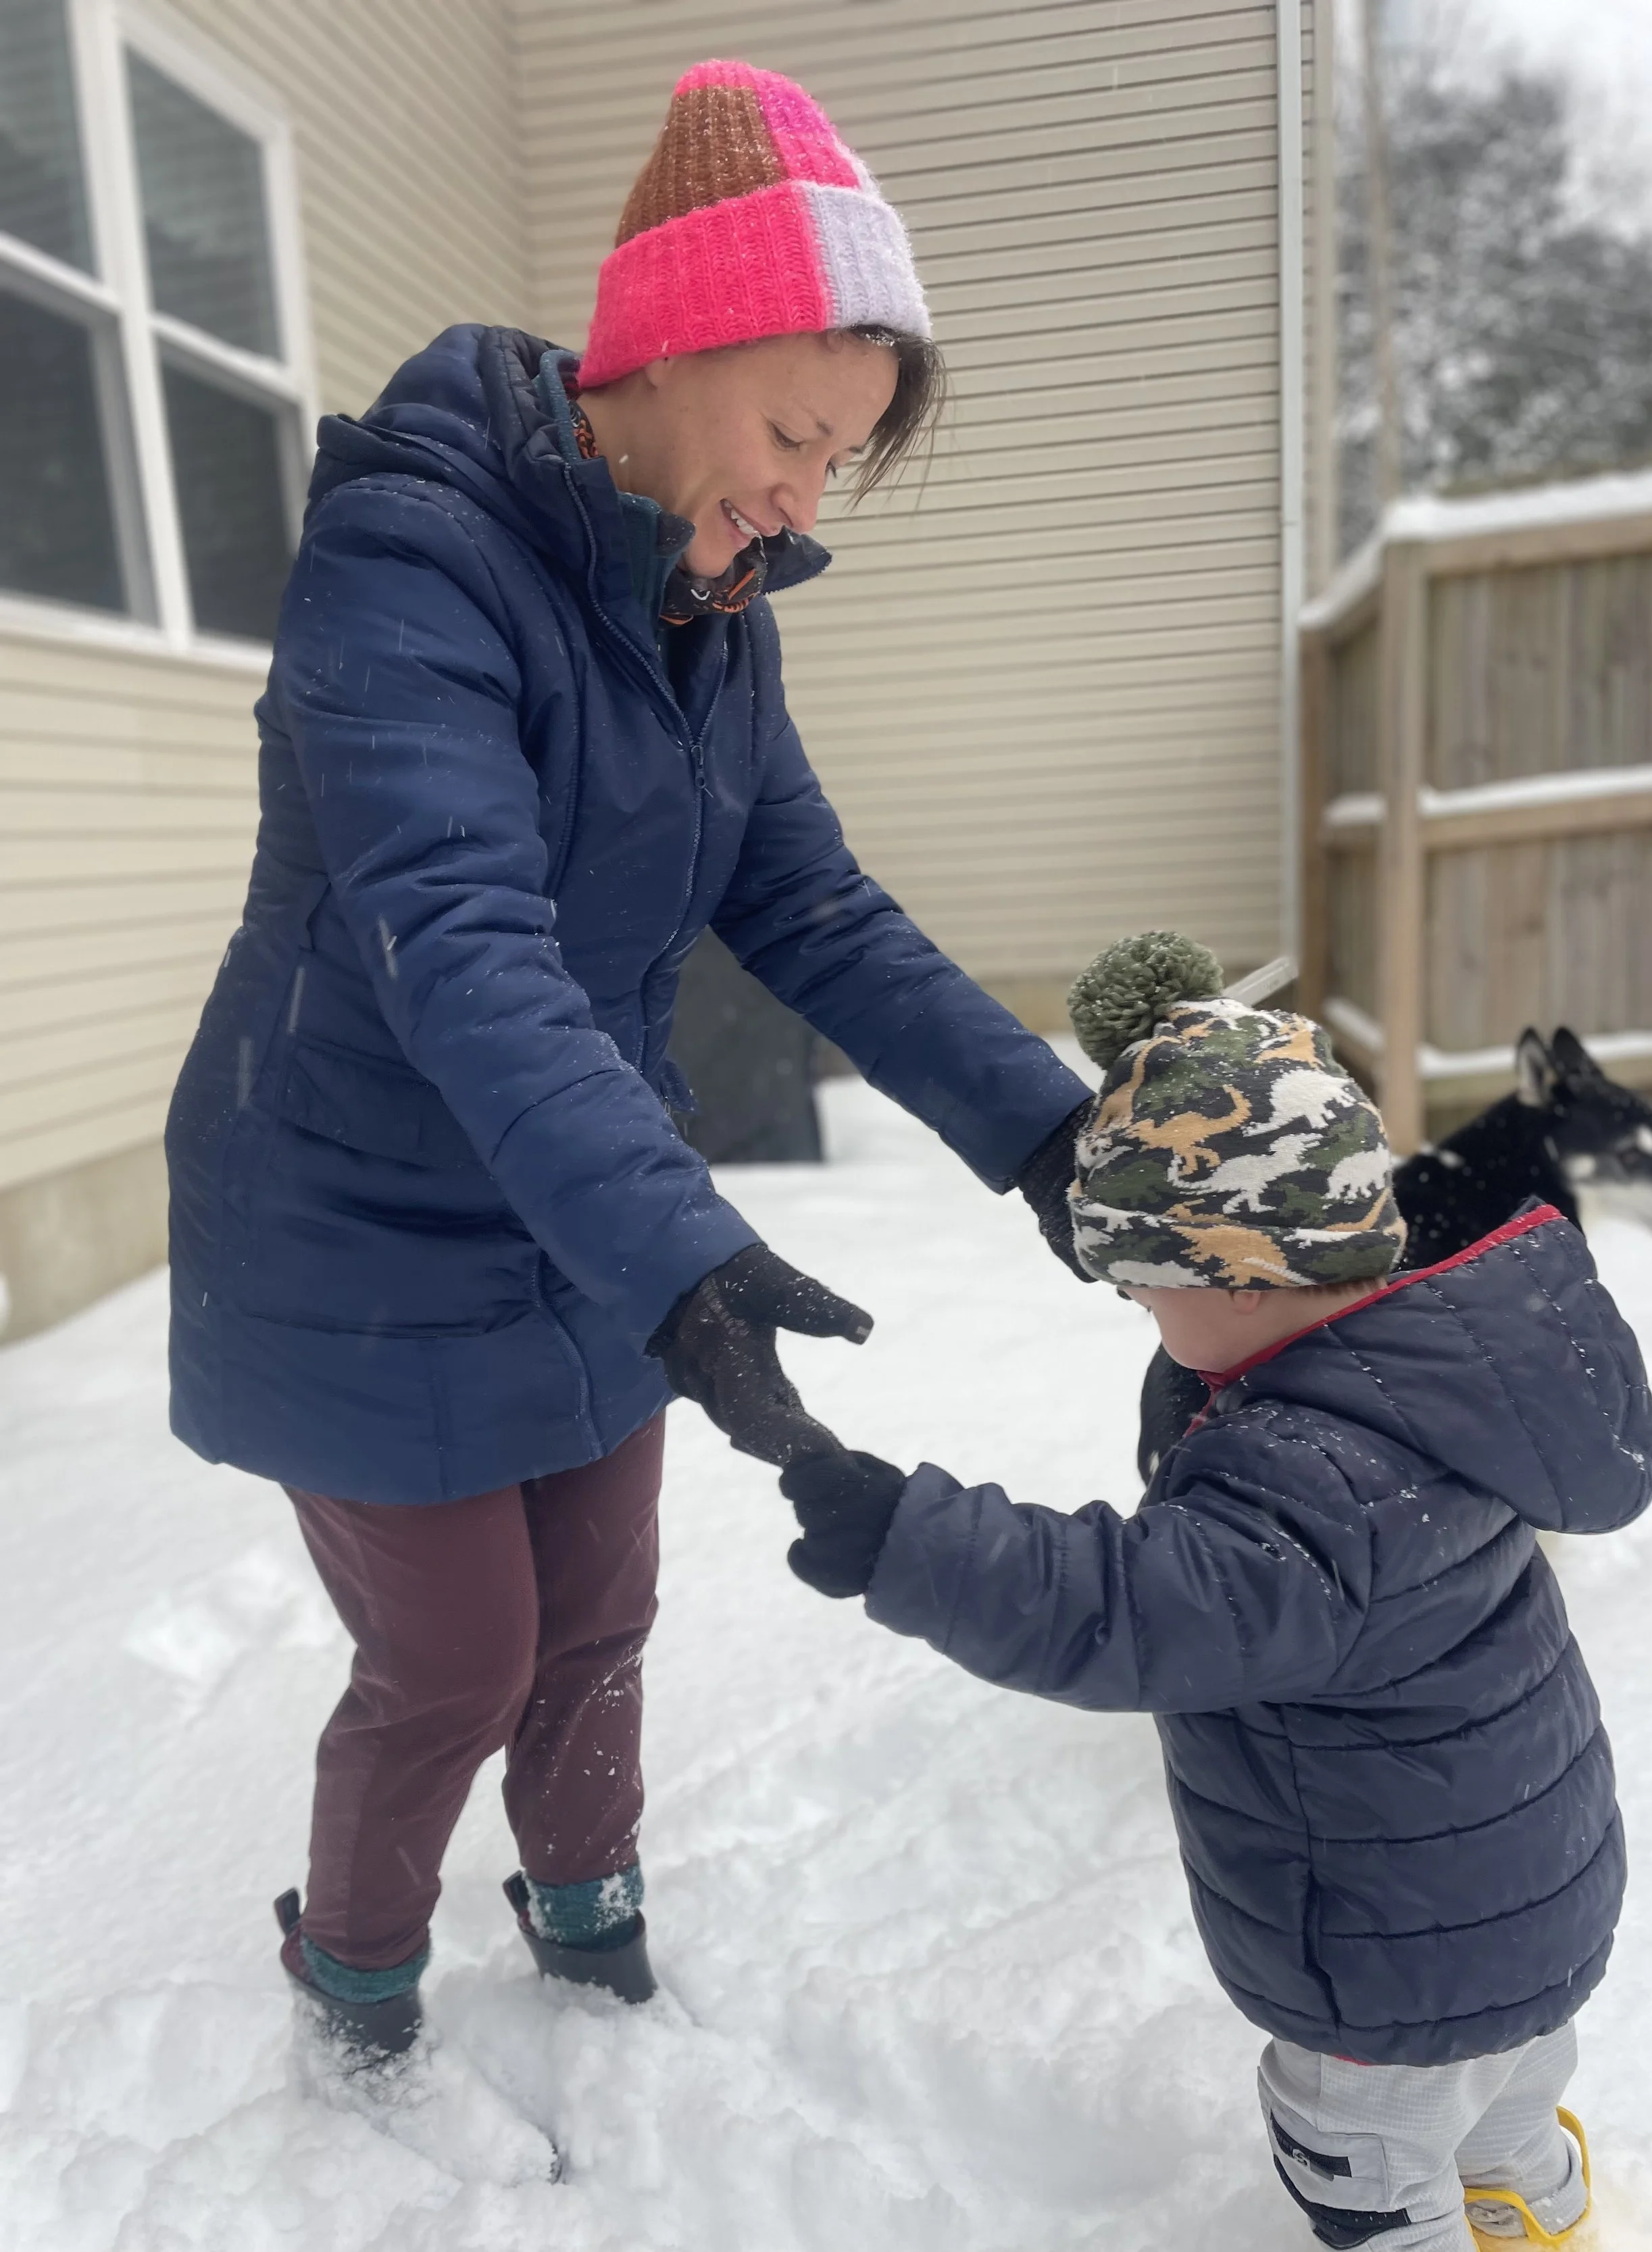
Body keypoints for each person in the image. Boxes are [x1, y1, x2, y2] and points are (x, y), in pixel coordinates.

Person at [165, 60, 1094, 2058]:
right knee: (455, 1654)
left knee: (598, 1609)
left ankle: (583, 1889)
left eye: (838, 456)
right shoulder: (406, 567)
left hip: (581, 1199)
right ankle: (353, 1958)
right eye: (790, 429)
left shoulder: (709, 603)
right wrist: (677, 1251)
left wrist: (1050, 1140)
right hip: (351, 1216)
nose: (800, 494)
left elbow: (817, 908)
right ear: (668, 345)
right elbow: (464, 950)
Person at [779, 931, 1652, 2252]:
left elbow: (1125, 1610)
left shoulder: (1306, 1482)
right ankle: (1544, 2222)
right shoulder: (1444, 1385)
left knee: (1363, 2164)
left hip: (1386, 1961)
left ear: (1241, 1278)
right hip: (1524, 1913)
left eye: (1146, 1292)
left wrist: (907, 1539)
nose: (1143, 1320)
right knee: (1501, 2115)